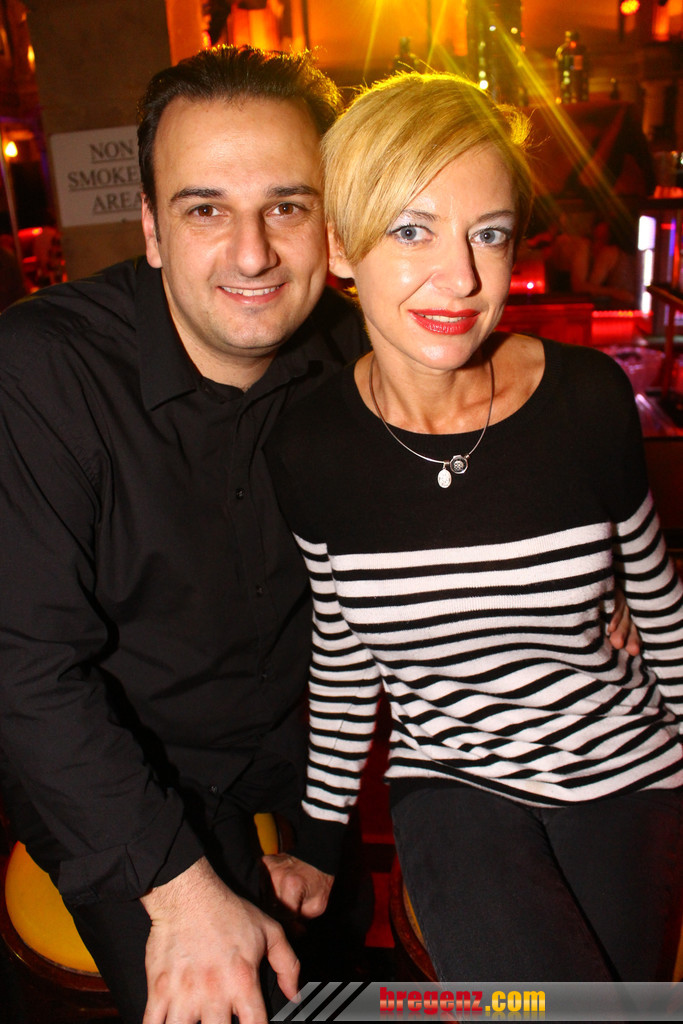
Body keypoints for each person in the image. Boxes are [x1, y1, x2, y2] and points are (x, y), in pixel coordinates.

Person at [264, 72, 683, 982]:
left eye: (487, 233)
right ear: (338, 247)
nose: (460, 278)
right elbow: (345, 656)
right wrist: (321, 842)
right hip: (449, 784)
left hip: (625, 771)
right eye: (411, 229)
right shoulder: (308, 446)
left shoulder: (585, 400)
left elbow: (658, 607)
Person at [0, 45, 368, 1024]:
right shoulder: (42, 369)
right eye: (205, 209)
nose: (251, 255)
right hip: (122, 760)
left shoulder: (361, 352)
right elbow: (25, 668)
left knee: (368, 968)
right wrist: (179, 891)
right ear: (152, 231)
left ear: (329, 225)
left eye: (286, 207)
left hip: (300, 755)